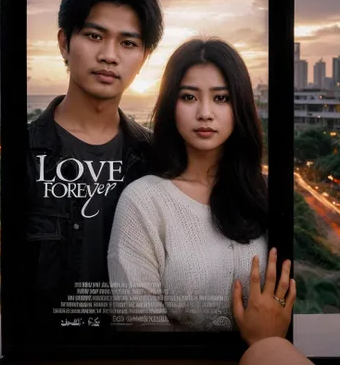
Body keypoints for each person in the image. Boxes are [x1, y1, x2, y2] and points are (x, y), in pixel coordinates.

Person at [25, 0, 163, 334]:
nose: (109, 55)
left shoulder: (156, 159)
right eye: (94, 35)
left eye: (128, 43)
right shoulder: (24, 155)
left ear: (143, 57)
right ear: (64, 42)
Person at [108, 37, 273, 331]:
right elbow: (139, 322)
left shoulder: (262, 193)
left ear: (240, 107)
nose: (205, 113)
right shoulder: (144, 200)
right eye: (189, 97)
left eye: (221, 98)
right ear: (171, 105)